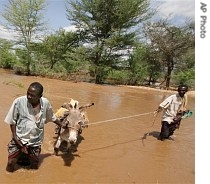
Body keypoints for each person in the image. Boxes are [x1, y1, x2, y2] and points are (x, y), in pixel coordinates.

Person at [4, 82, 65, 172]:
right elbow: (12, 121)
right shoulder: (19, 102)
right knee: (10, 163)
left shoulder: (45, 103)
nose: (29, 96)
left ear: (40, 96)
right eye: (28, 93)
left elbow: (52, 117)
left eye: (32, 95)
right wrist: (15, 137)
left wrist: (62, 125)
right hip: (19, 139)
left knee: (34, 165)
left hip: (35, 141)